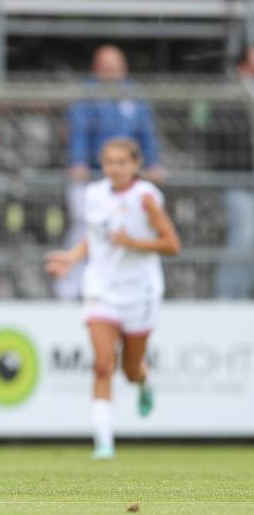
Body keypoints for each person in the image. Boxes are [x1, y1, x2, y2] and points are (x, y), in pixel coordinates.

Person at [46, 138, 181, 460]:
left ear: (135, 164)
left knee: (130, 370)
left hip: (140, 291)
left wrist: (133, 242)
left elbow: (172, 245)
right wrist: (71, 258)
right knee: (104, 364)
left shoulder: (146, 197)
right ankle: (104, 442)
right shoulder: (94, 195)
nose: (116, 168)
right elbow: (93, 238)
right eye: (109, 162)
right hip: (101, 289)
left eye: (122, 162)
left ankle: (144, 381)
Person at [58, 44, 165, 300]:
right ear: (96, 69)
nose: (111, 73)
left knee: (129, 231)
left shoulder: (133, 96)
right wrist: (79, 162)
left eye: (116, 68)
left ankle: (119, 289)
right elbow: (79, 133)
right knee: (84, 227)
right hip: (94, 177)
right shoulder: (87, 96)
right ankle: (68, 291)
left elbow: (146, 134)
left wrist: (153, 163)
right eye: (106, 68)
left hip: (127, 181)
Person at [212, 48, 254, 299]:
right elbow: (222, 139)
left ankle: (245, 295)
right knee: (242, 238)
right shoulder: (229, 98)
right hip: (238, 181)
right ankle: (227, 299)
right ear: (241, 67)